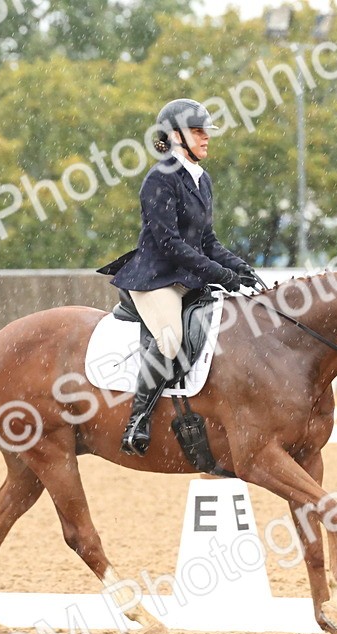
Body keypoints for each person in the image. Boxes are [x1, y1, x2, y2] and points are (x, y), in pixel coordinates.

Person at [109, 98, 263, 457]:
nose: (206, 137)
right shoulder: (159, 179)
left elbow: (207, 241)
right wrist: (221, 274)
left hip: (188, 280)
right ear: (175, 136)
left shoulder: (201, 179)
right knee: (170, 340)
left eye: (205, 131)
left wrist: (241, 269)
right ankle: (137, 422)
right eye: (198, 131)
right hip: (156, 279)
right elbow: (170, 244)